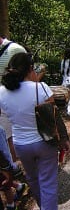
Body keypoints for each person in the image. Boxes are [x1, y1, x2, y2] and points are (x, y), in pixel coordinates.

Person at [0, 52, 70, 210]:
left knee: (33, 180)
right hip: (44, 142)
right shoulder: (41, 88)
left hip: (21, 145)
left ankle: (42, 206)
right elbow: (54, 116)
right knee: (48, 183)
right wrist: (64, 139)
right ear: (30, 69)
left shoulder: (2, 92)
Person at [0, 35, 26, 177]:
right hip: (2, 99)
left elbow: (28, 74)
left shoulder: (14, 49)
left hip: (12, 102)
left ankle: (16, 169)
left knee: (9, 137)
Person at [0, 135, 28, 210]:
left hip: (2, 166)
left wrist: (9, 166)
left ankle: (11, 205)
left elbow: (4, 150)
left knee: (5, 186)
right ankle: (20, 187)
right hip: (3, 166)